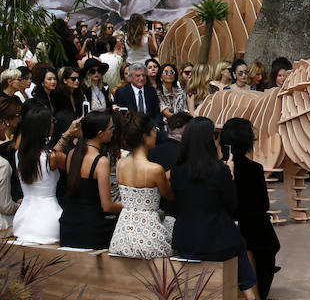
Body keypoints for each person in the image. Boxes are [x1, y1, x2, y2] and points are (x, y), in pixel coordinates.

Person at [171, 117, 257, 297]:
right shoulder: (220, 171)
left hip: (185, 239)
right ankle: (250, 295)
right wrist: (230, 175)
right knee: (241, 251)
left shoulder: (177, 170)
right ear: (209, 140)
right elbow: (232, 206)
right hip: (217, 240)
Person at [221, 118, 280, 299]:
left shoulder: (218, 167)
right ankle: (261, 291)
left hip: (227, 222)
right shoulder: (254, 168)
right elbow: (263, 204)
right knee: (270, 245)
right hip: (249, 226)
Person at [110, 111, 175, 258]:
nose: (156, 135)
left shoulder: (120, 164)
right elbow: (170, 195)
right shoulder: (155, 169)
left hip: (123, 233)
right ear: (145, 137)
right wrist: (170, 175)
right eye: (154, 131)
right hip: (149, 234)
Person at [13, 104, 79, 244]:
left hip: (23, 220)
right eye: (51, 122)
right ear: (45, 128)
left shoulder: (19, 154)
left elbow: (47, 156)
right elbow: (77, 168)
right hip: (49, 220)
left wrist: (66, 135)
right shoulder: (53, 158)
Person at [59, 111, 121, 249]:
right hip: (91, 228)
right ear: (100, 133)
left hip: (68, 224)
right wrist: (129, 207)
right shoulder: (101, 161)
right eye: (111, 129)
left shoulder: (71, 154)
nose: (113, 132)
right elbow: (107, 206)